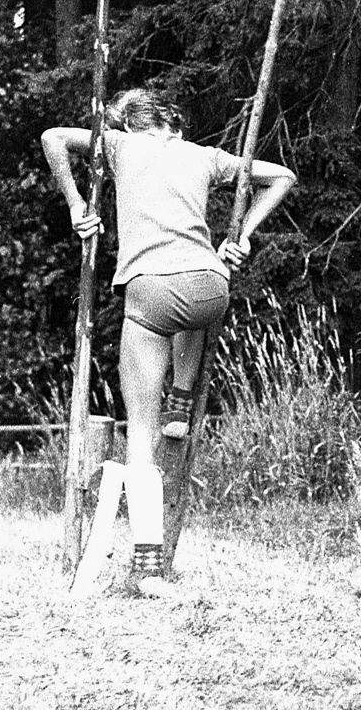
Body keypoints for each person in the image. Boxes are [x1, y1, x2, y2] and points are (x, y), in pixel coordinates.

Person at [42, 87, 296, 590]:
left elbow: (53, 138)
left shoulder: (119, 145)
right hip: (211, 285)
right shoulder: (204, 155)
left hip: (150, 289)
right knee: (190, 309)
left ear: (127, 124)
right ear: (172, 123)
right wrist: (241, 234)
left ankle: (148, 564)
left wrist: (76, 205)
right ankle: (181, 397)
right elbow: (282, 176)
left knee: (141, 430)